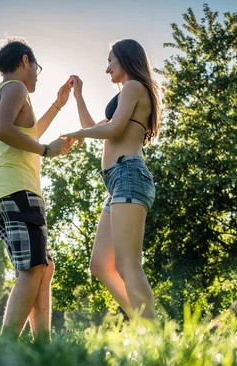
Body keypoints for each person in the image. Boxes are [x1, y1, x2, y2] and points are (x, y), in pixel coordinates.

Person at [0, 38, 73, 341]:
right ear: (24, 61)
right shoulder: (16, 88)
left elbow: (26, 133)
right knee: (33, 267)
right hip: (16, 188)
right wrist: (47, 151)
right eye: (37, 68)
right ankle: (4, 348)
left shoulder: (0, 94)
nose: (37, 74)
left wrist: (58, 104)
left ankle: (42, 346)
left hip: (1, 191)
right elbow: (3, 131)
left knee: (43, 267)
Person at [62, 39, 160, 319]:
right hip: (118, 183)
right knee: (100, 265)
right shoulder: (127, 95)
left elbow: (114, 130)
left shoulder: (133, 87)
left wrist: (77, 135)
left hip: (129, 175)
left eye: (110, 61)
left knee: (128, 264)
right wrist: (78, 96)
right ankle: (144, 323)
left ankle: (154, 337)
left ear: (126, 59)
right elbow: (96, 127)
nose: (107, 69)